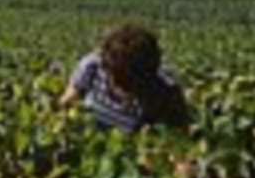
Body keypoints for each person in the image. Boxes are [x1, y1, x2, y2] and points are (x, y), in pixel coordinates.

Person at [60, 24, 190, 133]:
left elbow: (180, 139)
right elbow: (66, 105)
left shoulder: (167, 91)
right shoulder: (92, 66)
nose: (121, 91)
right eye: (117, 82)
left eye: (130, 85)